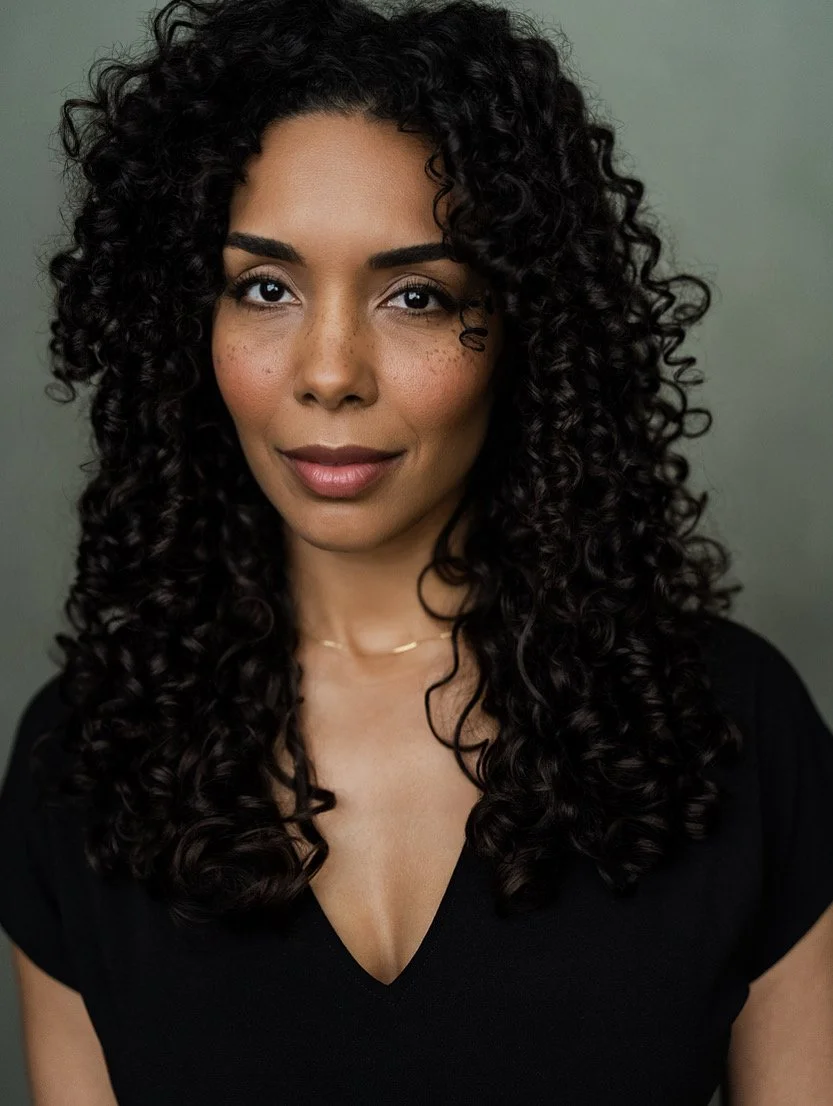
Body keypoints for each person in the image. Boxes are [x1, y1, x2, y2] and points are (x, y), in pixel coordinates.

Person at [1, 0, 832, 1103]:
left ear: (524, 326)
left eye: (415, 296)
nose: (329, 371)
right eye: (264, 287)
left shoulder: (734, 726)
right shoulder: (82, 756)